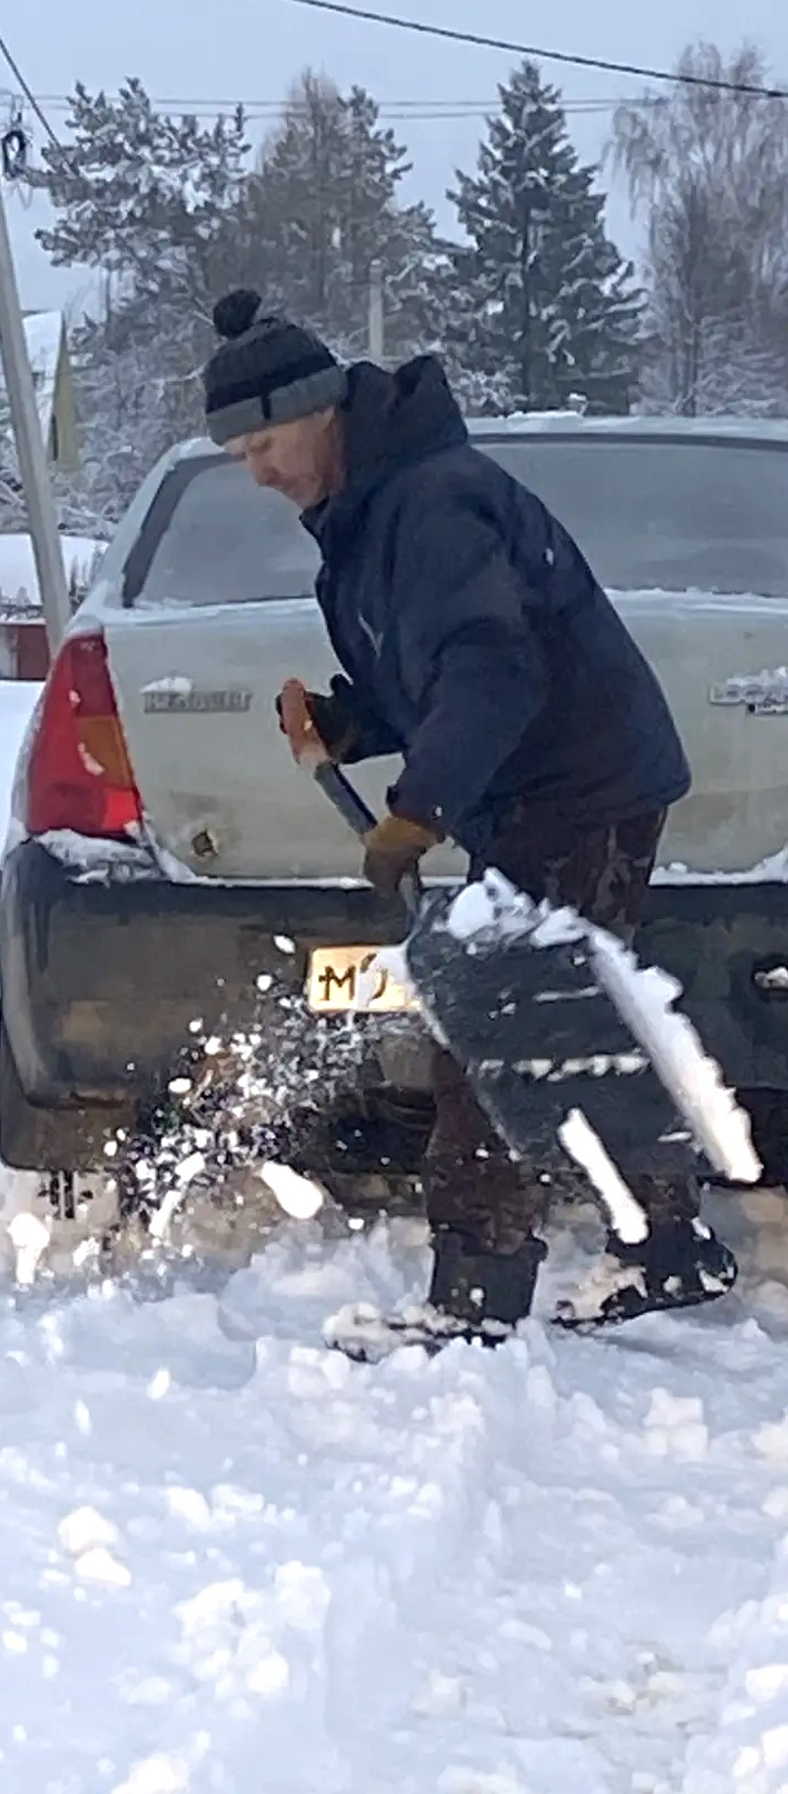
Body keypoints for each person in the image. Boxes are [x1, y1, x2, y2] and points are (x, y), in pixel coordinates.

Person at [200, 285, 737, 1337]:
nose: (256, 471)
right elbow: (436, 674)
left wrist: (414, 808)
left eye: (263, 441)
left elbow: (493, 670)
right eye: (239, 454)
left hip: (574, 791)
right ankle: (668, 1251)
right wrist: (352, 724)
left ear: (319, 410)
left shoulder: (427, 503)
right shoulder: (368, 511)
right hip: (552, 790)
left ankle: (477, 1296)